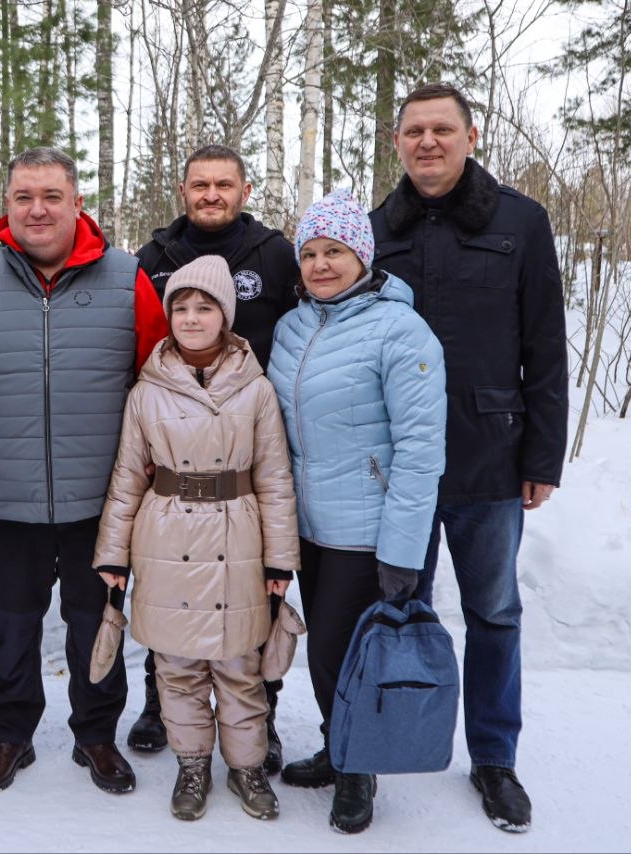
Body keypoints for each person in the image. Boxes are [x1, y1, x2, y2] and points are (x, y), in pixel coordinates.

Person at [0, 147, 167, 795]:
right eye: (24, 197)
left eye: (52, 196)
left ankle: (96, 736)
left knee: (97, 622)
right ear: (6, 206)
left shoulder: (126, 278)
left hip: (102, 499)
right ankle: (11, 735)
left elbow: (157, 376)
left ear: (77, 202)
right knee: (10, 624)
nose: (38, 209)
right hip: (7, 496)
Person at [369, 82, 568, 833]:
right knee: (396, 612)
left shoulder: (520, 222)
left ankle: (493, 756)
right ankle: (389, 741)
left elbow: (545, 345)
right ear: (397, 142)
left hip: (490, 454)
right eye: (414, 130)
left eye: (442, 129)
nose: (428, 142)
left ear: (471, 136)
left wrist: (542, 455)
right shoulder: (375, 229)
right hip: (398, 468)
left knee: (494, 612)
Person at [92, 255, 299, 822]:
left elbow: (275, 478)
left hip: (238, 537)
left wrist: (280, 560)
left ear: (225, 315)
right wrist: (113, 555)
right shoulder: (147, 390)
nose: (190, 318)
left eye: (204, 307)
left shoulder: (255, 389)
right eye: (180, 307)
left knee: (239, 666)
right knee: (177, 669)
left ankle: (247, 766)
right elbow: (127, 477)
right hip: (166, 538)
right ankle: (192, 764)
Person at [268, 189, 446, 833]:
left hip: (367, 531)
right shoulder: (292, 327)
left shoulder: (400, 330)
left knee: (347, 654)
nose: (320, 264)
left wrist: (402, 549)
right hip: (310, 526)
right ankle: (339, 744)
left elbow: (421, 451)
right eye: (310, 253)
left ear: (363, 256)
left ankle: (358, 769)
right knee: (326, 654)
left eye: (335, 251)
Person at [131, 144, 300, 766]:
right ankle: (161, 702)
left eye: (223, 184)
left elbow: (300, 333)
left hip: (250, 437)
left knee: (248, 591)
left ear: (244, 191)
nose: (210, 194)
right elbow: (139, 342)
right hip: (174, 438)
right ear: (183, 190)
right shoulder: (153, 258)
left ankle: (261, 715)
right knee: (171, 582)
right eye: (199, 184)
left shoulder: (274, 254)